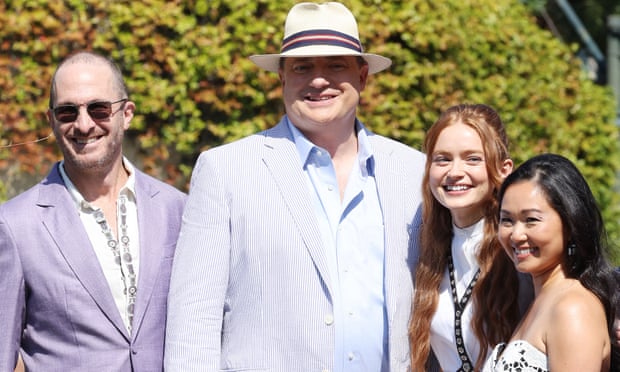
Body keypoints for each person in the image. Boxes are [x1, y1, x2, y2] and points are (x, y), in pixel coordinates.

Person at [164, 2, 426, 371]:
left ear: (363, 76)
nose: (319, 80)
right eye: (303, 67)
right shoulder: (226, 171)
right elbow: (193, 318)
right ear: (282, 78)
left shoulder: (413, 171)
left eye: (336, 65)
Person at [0, 51, 186, 371]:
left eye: (98, 109)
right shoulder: (15, 225)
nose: (84, 125)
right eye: (67, 112)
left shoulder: (177, 210)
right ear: (51, 121)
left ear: (126, 114)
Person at [409, 104, 533, 371]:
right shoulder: (428, 249)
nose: (454, 171)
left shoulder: (520, 250)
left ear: (503, 168)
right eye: (442, 159)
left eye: (472, 159)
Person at [483, 153, 620, 371]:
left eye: (531, 220)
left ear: (571, 222)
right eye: (507, 220)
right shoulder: (542, 299)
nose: (516, 234)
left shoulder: (573, 308)